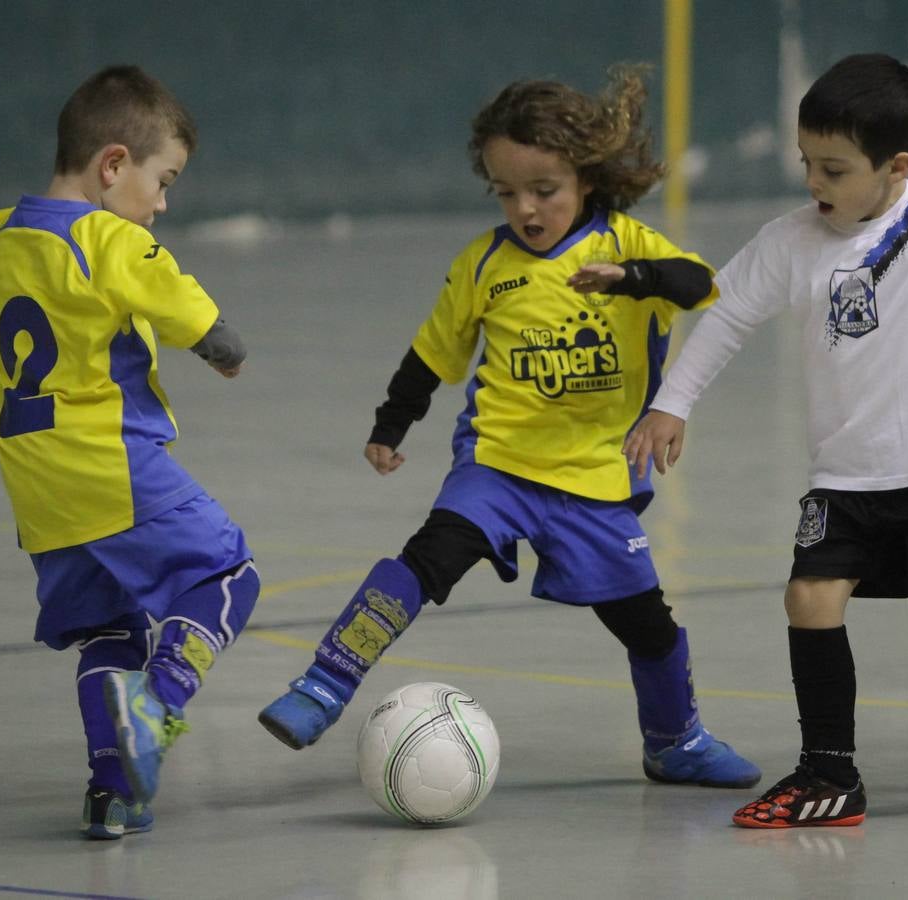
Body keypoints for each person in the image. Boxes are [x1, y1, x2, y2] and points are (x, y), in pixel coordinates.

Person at [623, 38, 908, 828]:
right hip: (847, 478)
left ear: (897, 165)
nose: (814, 183)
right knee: (809, 598)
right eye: (807, 161)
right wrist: (672, 402)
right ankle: (829, 774)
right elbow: (728, 313)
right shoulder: (790, 241)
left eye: (834, 169)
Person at [258, 66, 760, 790]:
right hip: (497, 465)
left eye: (544, 190)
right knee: (425, 560)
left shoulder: (628, 245)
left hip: (593, 475)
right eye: (505, 192)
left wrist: (632, 279)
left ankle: (674, 742)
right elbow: (430, 355)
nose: (525, 208)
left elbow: (702, 287)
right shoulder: (485, 264)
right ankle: (323, 685)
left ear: (586, 178)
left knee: (648, 626)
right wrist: (391, 425)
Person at [0, 66, 259, 839]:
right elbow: (183, 302)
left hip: (41, 500)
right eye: (161, 181)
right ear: (111, 165)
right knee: (229, 576)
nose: (161, 204)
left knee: (111, 632)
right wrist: (222, 347)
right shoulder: (106, 236)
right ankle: (157, 706)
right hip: (118, 470)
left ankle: (113, 791)